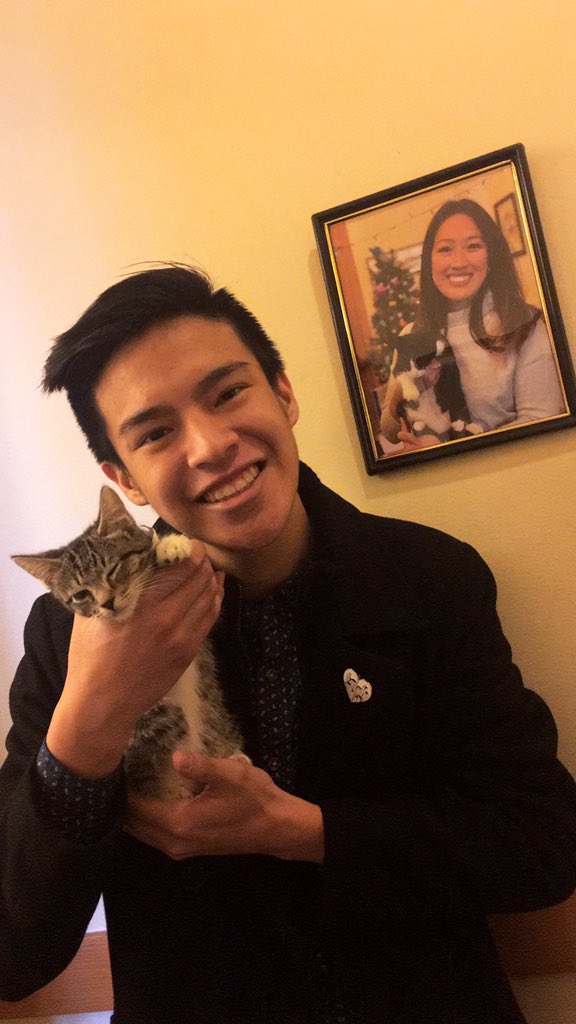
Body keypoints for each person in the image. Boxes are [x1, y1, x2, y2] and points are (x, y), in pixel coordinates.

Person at [1, 266, 576, 1024]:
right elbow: (15, 953)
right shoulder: (68, 633)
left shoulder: (432, 577)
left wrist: (306, 833)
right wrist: (87, 723)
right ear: (123, 478)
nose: (211, 445)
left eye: (227, 393)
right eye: (156, 433)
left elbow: (541, 844)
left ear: (283, 393)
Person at [379, 198, 566, 450]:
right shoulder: (413, 333)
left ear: (491, 256)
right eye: (445, 249)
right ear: (430, 260)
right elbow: (390, 431)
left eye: (473, 246)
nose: (458, 262)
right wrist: (401, 395)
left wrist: (443, 454)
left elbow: (541, 420)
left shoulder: (525, 324)